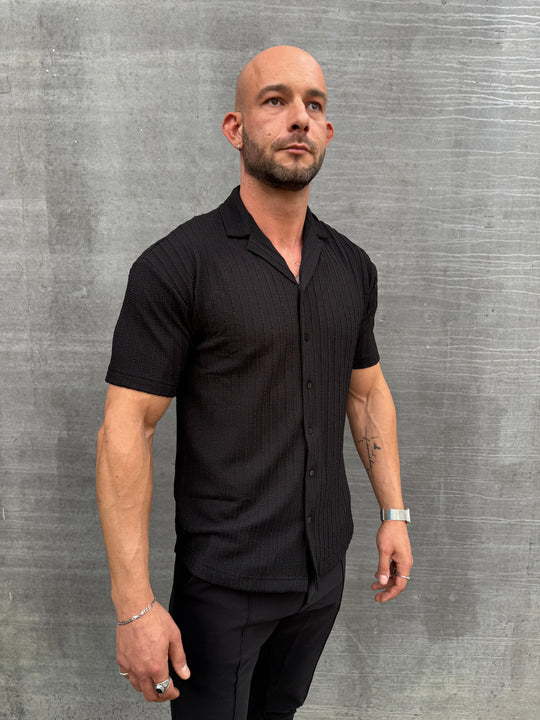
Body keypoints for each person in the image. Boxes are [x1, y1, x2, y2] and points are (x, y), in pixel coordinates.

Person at [96, 45, 413, 720]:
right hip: (223, 586)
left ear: (327, 131)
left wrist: (394, 514)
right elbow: (126, 429)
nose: (298, 118)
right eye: (275, 101)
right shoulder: (177, 267)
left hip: (322, 577)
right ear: (235, 128)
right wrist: (134, 607)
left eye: (314, 105)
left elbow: (365, 392)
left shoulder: (351, 267)